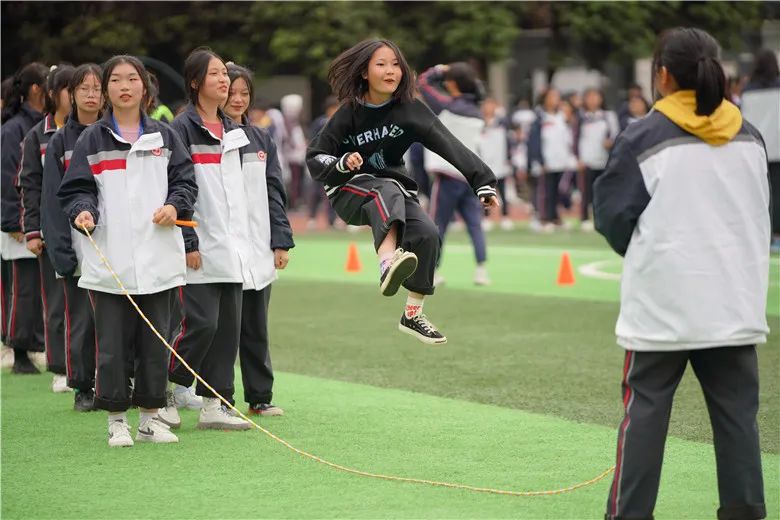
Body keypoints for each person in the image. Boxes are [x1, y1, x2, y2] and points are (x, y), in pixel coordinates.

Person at [594, 28, 769, 520]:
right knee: (737, 420)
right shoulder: (750, 136)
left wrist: (653, 253)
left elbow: (611, 215)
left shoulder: (643, 136)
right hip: (733, 301)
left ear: (663, 76)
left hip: (663, 302)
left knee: (645, 413)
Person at [307, 39, 498, 345]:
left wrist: (482, 181)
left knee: (428, 233)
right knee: (383, 189)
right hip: (347, 190)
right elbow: (315, 155)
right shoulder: (349, 112)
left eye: (396, 64)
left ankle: (412, 314)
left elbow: (448, 144)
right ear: (365, 72)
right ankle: (386, 262)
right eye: (381, 64)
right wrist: (342, 162)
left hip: (391, 190)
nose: (391, 70)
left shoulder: (410, 109)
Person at [58, 55, 197, 446]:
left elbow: (185, 181)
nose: (124, 86)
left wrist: (175, 206)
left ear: (143, 87)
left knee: (155, 343)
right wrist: (83, 211)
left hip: (157, 258)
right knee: (114, 346)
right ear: (106, 90)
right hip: (111, 259)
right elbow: (75, 189)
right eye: (115, 80)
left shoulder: (165, 136)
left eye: (131, 79)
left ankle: (151, 418)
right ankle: (117, 420)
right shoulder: (93, 138)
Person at [163, 47, 252, 431]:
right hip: (197, 244)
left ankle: (217, 404)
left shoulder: (235, 132)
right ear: (196, 82)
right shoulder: (179, 129)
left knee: (227, 330)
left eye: (225, 74)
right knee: (201, 324)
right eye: (215, 74)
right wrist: (187, 242)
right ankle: (166, 391)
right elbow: (175, 186)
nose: (224, 80)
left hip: (232, 247)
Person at [225, 62, 294, 416]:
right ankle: (210, 395)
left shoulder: (261, 138)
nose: (237, 99)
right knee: (217, 328)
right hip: (220, 250)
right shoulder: (206, 137)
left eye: (243, 93)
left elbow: (274, 193)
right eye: (230, 92)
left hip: (258, 246)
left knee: (255, 326)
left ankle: (260, 396)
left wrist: (280, 241)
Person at [41, 63, 103, 412]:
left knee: (115, 322)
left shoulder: (116, 134)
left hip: (115, 246)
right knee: (80, 321)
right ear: (71, 94)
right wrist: (62, 252)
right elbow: (51, 200)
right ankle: (82, 385)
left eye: (97, 88)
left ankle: (116, 381)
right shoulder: (60, 140)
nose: (91, 95)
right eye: (84, 88)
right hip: (77, 248)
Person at [18, 64, 74, 391]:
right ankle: (61, 368)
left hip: (93, 232)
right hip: (52, 233)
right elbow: (29, 186)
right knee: (57, 304)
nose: (81, 95)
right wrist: (33, 231)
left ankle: (92, 364)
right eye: (70, 88)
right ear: (53, 94)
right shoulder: (37, 136)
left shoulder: (94, 131)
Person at [417, 62, 492, 287]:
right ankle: (481, 271)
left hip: (448, 176)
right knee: (474, 225)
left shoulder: (447, 106)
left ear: (452, 84)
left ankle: (433, 271)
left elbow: (423, 83)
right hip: (470, 177)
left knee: (437, 225)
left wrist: (439, 70)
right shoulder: (478, 111)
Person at [1, 61, 48, 374]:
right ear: (36, 89)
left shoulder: (41, 125)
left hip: (34, 218)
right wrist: (13, 223)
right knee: (23, 289)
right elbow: (6, 176)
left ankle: (32, 346)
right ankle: (17, 350)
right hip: (18, 221)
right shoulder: (14, 129)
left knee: (36, 289)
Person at [740, 49, 780, 252]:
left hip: (755, 148)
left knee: (761, 192)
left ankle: (766, 232)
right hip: (779, 147)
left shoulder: (748, 90)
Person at [576, 88, 619, 231]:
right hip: (586, 161)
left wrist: (610, 142)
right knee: (586, 191)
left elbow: (616, 135)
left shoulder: (608, 116)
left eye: (596, 96)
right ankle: (584, 218)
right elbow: (575, 138)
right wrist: (578, 158)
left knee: (603, 192)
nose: (593, 100)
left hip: (604, 160)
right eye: (589, 97)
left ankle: (602, 219)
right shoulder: (581, 117)